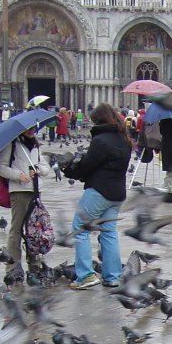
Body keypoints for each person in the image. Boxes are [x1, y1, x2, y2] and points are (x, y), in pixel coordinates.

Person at [64, 103, 132, 289]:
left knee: (80, 229)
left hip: (99, 191)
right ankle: (113, 276)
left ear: (99, 120)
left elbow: (88, 165)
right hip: (118, 193)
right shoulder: (123, 138)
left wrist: (70, 170)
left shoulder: (101, 140)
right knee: (109, 232)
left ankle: (85, 275)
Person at [0, 125, 51, 280]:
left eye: (34, 128)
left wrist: (39, 169)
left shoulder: (35, 146)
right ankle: (13, 266)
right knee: (17, 229)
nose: (31, 130)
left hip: (36, 191)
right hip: (19, 192)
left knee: (35, 230)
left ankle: (34, 264)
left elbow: (46, 167)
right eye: (28, 128)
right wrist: (19, 175)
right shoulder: (12, 144)